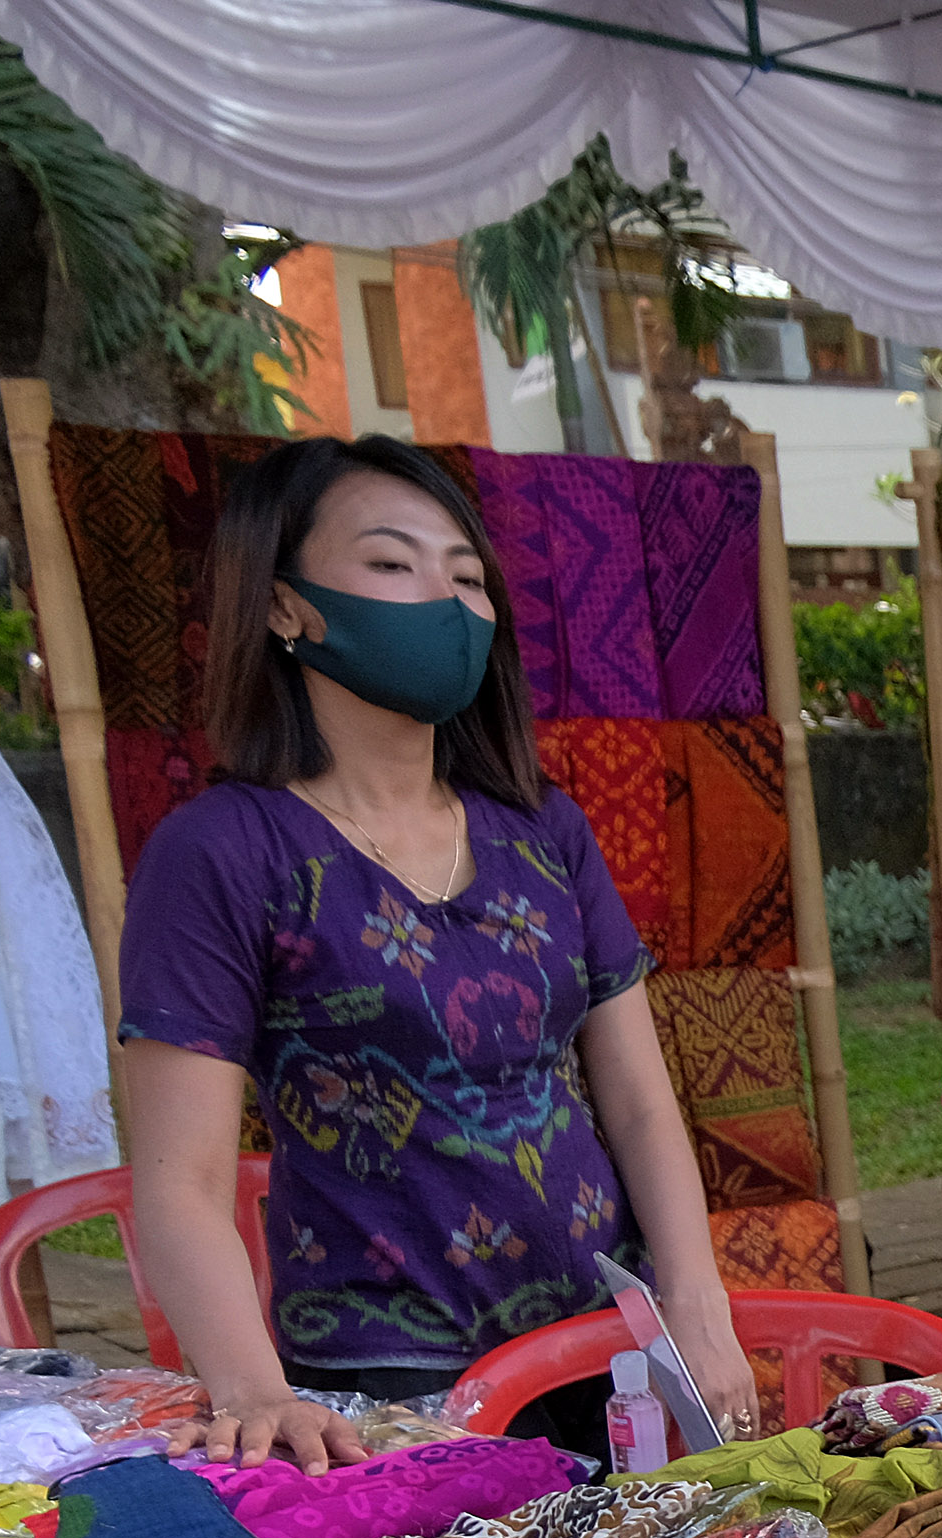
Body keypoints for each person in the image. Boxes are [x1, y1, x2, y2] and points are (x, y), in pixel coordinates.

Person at [116, 436, 756, 1467]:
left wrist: (695, 1302)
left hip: (606, 1352)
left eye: (467, 577)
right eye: (390, 563)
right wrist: (254, 1391)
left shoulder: (542, 831)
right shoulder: (225, 850)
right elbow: (179, 1178)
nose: (444, 602)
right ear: (283, 606)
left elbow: (638, 1102)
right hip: (387, 1388)